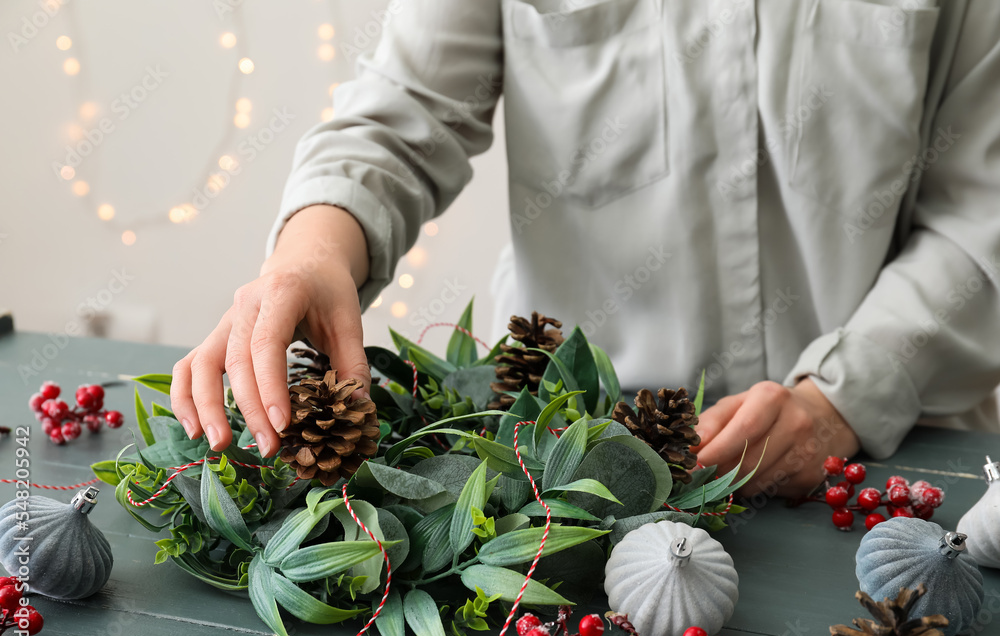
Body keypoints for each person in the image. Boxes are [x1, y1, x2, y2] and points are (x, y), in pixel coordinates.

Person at [169, 0, 1000, 498]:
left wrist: (841, 401)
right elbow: (404, 110)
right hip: (567, 465)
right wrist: (311, 252)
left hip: (894, 459)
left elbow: (984, 208)